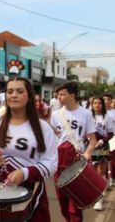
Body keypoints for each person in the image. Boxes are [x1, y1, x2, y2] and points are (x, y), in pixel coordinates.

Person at [0, 77, 58, 221]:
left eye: (20, 91)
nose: (13, 95)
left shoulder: (43, 128)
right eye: (9, 91)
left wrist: (24, 173)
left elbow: (51, 163)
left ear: (29, 96)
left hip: (32, 193)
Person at [50, 82, 97, 222]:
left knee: (75, 201)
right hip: (59, 159)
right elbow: (52, 136)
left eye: (62, 94)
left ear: (72, 95)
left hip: (76, 159)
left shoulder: (86, 114)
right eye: (58, 95)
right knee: (62, 199)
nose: (59, 97)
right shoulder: (56, 114)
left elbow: (92, 139)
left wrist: (88, 153)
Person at [89, 97, 113, 210]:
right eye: (95, 103)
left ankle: (99, 200)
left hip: (102, 146)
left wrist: (101, 141)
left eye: (99, 103)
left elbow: (110, 134)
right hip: (89, 146)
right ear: (92, 104)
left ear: (102, 105)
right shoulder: (88, 116)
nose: (97, 105)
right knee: (92, 173)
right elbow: (84, 131)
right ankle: (94, 194)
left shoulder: (107, 117)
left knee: (100, 172)